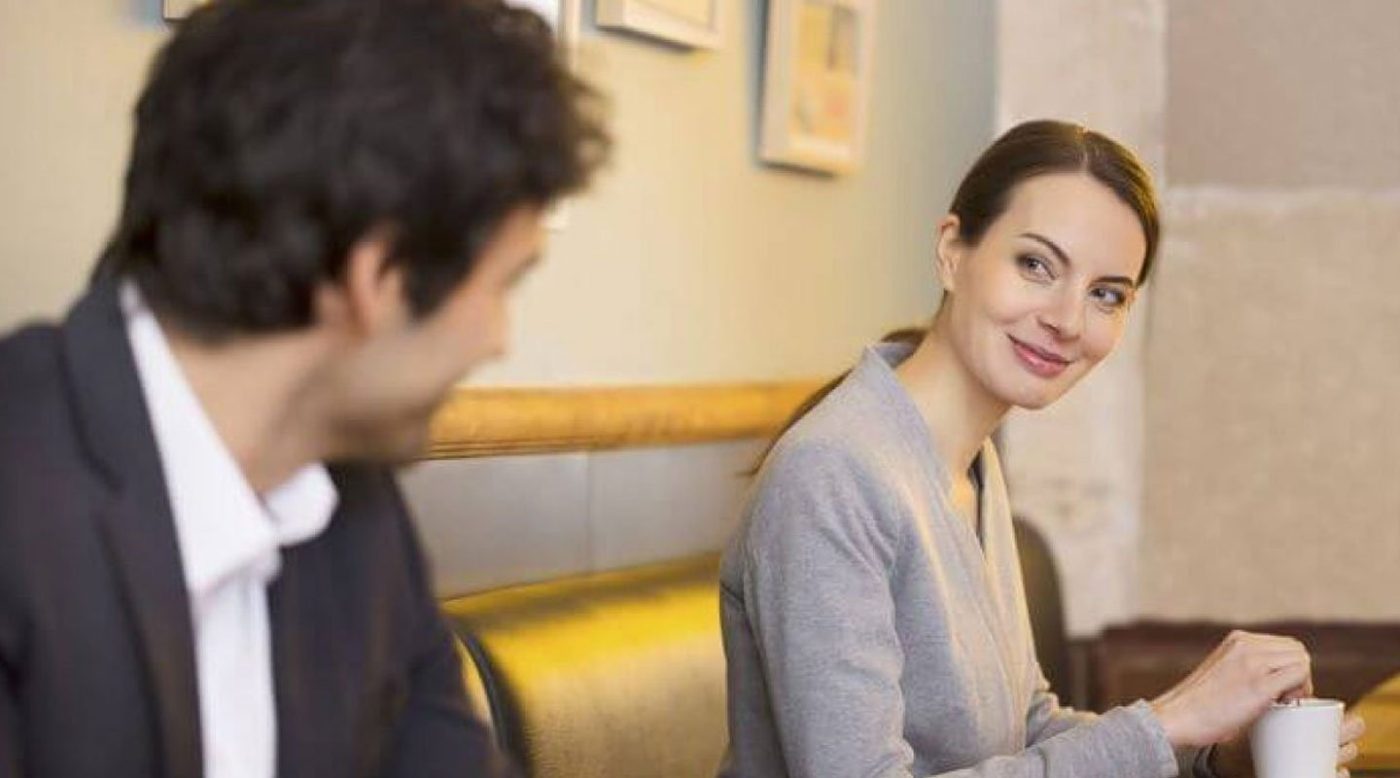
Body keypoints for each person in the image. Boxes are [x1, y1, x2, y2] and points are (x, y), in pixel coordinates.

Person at [0, 0, 608, 775]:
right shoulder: (21, 494)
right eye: (502, 284)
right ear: (376, 275)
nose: (500, 339)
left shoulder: (354, 506)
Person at [718, 120, 1364, 778]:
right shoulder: (834, 472)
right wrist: (1168, 721)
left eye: (1105, 294)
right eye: (1036, 265)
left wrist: (1213, 757)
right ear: (952, 250)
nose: (1067, 320)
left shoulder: (968, 464)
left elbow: (1025, 730)